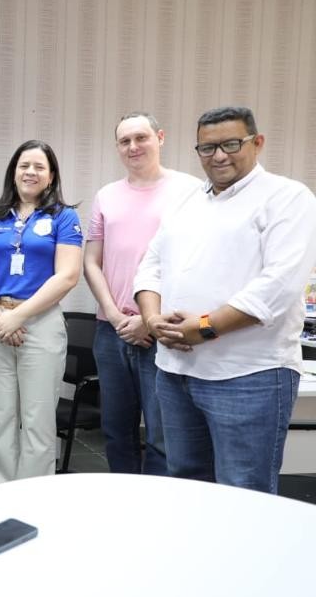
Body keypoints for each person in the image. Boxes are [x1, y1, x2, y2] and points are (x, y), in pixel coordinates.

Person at [135, 106, 316, 494]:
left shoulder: (287, 198)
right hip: (176, 371)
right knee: (187, 483)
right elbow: (150, 267)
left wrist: (203, 328)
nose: (218, 156)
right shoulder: (186, 201)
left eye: (231, 144)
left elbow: (278, 286)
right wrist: (151, 320)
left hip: (248, 375)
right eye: (207, 148)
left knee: (243, 490)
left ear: (257, 142)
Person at [83, 112, 199, 475]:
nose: (133, 146)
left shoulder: (190, 191)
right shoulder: (106, 195)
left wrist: (149, 321)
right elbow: (91, 262)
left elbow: (195, 263)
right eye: (124, 141)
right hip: (111, 330)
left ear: (160, 137)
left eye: (141, 137)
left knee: (162, 434)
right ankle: (125, 500)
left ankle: (158, 504)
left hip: (162, 331)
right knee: (116, 430)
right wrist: (115, 315)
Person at [0, 140, 82, 484]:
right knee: (1, 416)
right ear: (13, 172)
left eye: (39, 167)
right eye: (24, 165)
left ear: (51, 176)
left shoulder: (64, 216)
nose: (30, 172)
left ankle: (33, 499)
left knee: (37, 420)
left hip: (40, 323)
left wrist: (17, 318)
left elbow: (67, 276)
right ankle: (2, 493)